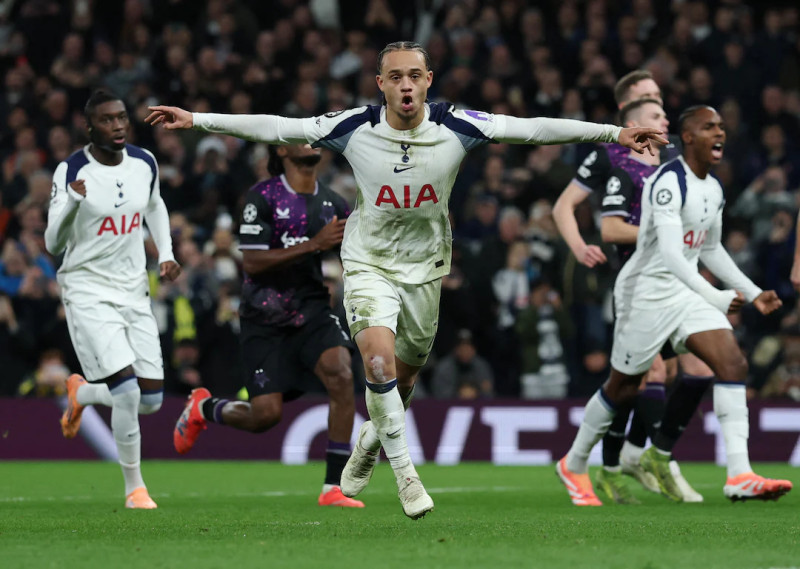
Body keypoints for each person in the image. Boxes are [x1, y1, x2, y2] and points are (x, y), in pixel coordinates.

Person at [146, 41, 667, 519]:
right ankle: (407, 478)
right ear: (381, 84)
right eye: (395, 77)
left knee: (405, 379)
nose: (406, 86)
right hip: (369, 263)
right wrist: (195, 120)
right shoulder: (353, 126)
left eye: (414, 76)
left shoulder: (458, 125)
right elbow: (280, 126)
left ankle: (370, 446)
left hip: (426, 270)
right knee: (375, 362)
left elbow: (531, 127)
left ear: (429, 80)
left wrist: (613, 132)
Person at [557, 105, 793, 506]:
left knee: (732, 363)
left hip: (684, 292)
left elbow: (711, 249)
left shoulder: (713, 188)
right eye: (708, 127)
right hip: (644, 292)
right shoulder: (667, 182)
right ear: (688, 137)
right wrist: (717, 296)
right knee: (624, 385)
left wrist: (752, 292)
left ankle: (739, 474)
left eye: (721, 126)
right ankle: (574, 462)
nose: (719, 133)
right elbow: (669, 255)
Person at [172, 142, 364, 509]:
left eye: (312, 137)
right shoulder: (261, 197)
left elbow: (354, 252)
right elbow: (254, 262)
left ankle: (333, 488)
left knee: (340, 371)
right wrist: (313, 245)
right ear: (283, 149)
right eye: (300, 136)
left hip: (310, 309)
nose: (310, 142)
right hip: (264, 317)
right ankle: (204, 408)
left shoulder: (333, 204)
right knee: (265, 416)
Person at [553, 70, 711, 501]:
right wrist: (579, 245)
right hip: (636, 279)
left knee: (660, 374)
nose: (659, 108)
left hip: (677, 278)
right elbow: (564, 206)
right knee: (645, 374)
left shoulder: (675, 153)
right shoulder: (608, 154)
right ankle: (637, 460)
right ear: (627, 109)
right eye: (648, 100)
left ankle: (621, 457)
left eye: (660, 99)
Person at [46, 89, 181, 509]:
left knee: (153, 400)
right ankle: (134, 489)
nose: (118, 125)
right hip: (87, 287)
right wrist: (72, 202)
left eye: (122, 117)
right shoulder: (71, 170)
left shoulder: (144, 162)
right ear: (90, 128)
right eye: (107, 120)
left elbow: (155, 207)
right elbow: (53, 243)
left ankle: (82, 394)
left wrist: (168, 252)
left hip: (132, 288)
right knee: (125, 390)